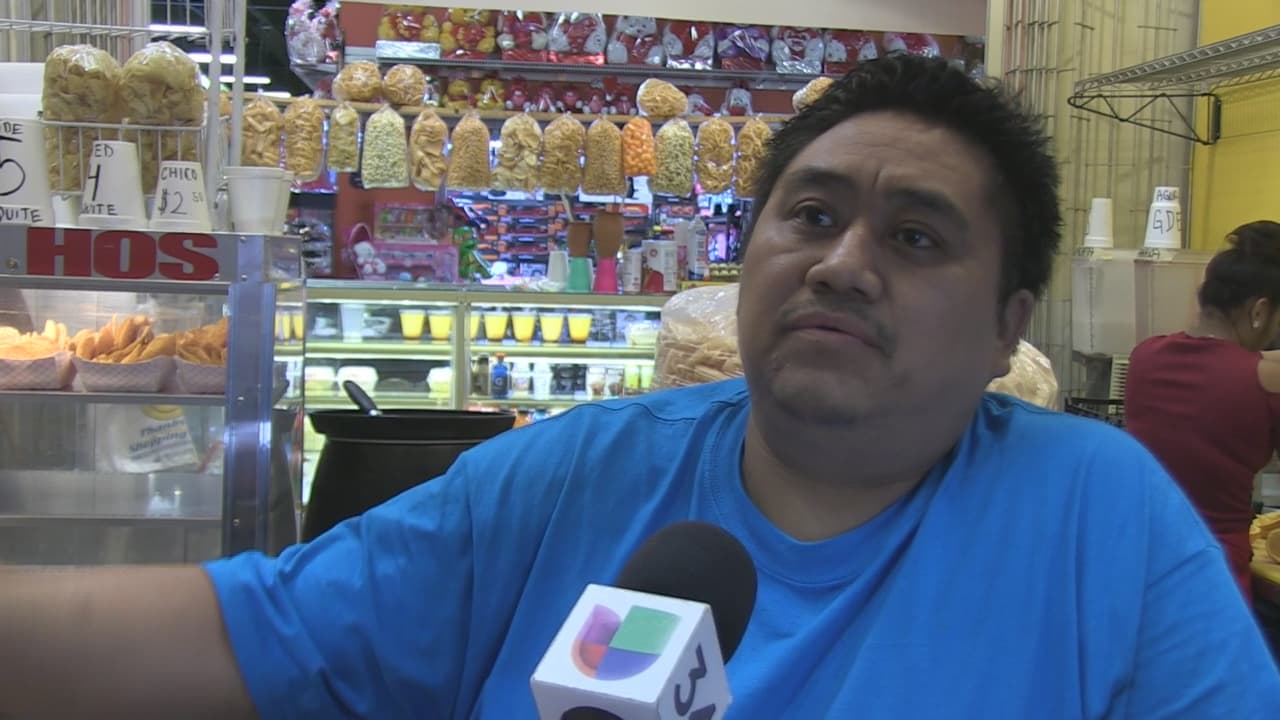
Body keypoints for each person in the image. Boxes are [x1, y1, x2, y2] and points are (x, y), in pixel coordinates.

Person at [3, 56, 1279, 718]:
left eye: (913, 236)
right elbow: (239, 635)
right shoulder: (566, 479)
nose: (840, 263)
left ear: (1008, 326)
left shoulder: (1100, 521)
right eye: (810, 214)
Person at [1125, 220, 1280, 604]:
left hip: (1138, 563)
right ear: (1260, 312)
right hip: (1214, 577)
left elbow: (1222, 370)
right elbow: (1250, 373)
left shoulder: (1144, 356)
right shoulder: (1264, 381)